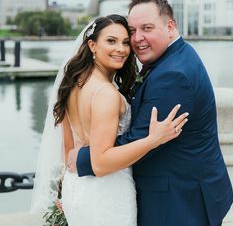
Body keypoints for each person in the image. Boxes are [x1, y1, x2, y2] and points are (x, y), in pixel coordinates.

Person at [72, 0, 233, 226]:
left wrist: (82, 159)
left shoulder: (173, 75)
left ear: (170, 26)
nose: (137, 39)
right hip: (185, 189)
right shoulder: (174, 57)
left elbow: (142, 139)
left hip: (178, 201)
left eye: (146, 28)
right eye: (132, 30)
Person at [31, 14, 188, 226]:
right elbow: (101, 162)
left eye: (125, 42)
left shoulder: (73, 84)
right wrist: (154, 139)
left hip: (76, 188)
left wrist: (64, 191)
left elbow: (68, 153)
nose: (121, 49)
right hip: (107, 191)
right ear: (92, 45)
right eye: (111, 41)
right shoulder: (105, 94)